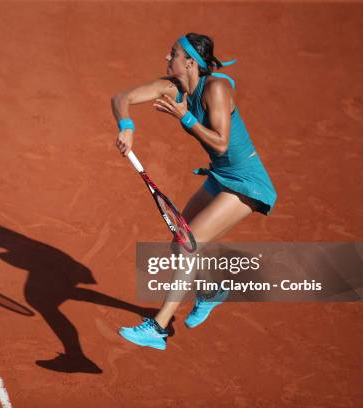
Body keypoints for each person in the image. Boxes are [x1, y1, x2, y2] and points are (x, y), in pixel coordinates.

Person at [111, 33, 277, 350]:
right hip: (220, 177)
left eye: (172, 53)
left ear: (189, 62)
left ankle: (159, 328)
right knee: (180, 243)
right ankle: (211, 291)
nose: (166, 57)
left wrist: (184, 116)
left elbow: (221, 143)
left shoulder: (217, 89)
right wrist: (126, 127)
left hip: (247, 183)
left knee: (190, 245)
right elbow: (121, 97)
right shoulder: (171, 87)